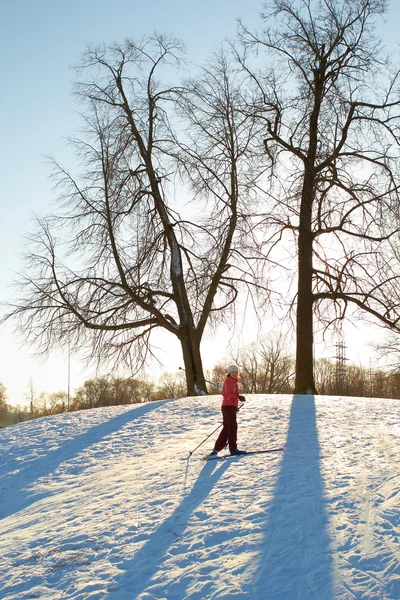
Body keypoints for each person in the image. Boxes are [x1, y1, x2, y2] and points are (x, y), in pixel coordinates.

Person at [210, 364, 246, 456]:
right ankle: (233, 449)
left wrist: (236, 402)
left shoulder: (232, 381)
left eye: (236, 372)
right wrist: (238, 396)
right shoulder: (230, 381)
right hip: (228, 407)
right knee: (232, 427)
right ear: (229, 372)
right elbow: (228, 393)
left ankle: (216, 449)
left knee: (227, 428)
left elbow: (227, 393)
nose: (234, 373)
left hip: (228, 407)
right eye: (233, 372)